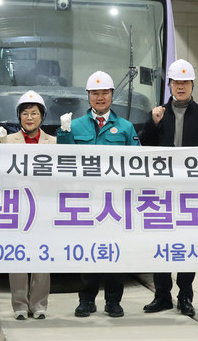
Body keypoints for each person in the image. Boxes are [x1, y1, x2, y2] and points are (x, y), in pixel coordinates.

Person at [57, 70, 140, 318]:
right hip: (86, 201)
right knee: (88, 252)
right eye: (95, 93)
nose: (100, 98)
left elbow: (137, 164)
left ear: (112, 95)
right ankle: (86, 300)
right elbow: (65, 162)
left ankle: (113, 301)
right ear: (88, 96)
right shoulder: (75, 126)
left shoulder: (125, 127)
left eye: (105, 93)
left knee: (115, 252)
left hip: (115, 203)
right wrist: (64, 134)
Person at [139, 59, 198, 317]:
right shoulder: (158, 113)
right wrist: (153, 123)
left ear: (192, 84)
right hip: (161, 191)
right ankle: (162, 295)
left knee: (187, 244)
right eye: (176, 82)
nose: (180, 87)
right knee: (160, 243)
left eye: (185, 82)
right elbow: (144, 148)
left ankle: (185, 295)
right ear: (170, 85)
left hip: (191, 191)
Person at [0, 90, 55, 320]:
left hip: (43, 206)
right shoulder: (7, 140)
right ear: (19, 116)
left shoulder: (53, 142)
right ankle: (19, 304)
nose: (29, 118)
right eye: (25, 113)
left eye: (34, 113)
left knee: (42, 255)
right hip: (16, 206)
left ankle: (39, 304)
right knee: (17, 256)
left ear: (42, 116)